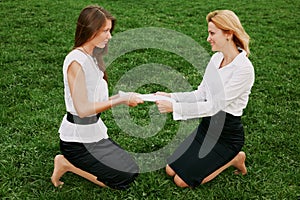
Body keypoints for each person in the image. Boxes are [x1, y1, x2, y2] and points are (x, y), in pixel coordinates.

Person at [155, 10, 254, 188]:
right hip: (206, 128)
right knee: (170, 169)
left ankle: (235, 158)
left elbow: (214, 106)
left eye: (212, 33)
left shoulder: (243, 69)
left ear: (229, 34)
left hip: (226, 136)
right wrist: (171, 96)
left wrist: (175, 108)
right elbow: (200, 94)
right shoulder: (216, 59)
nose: (208, 39)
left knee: (181, 181)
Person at [51, 5, 144, 190]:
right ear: (90, 30)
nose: (109, 36)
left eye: (110, 30)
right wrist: (121, 100)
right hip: (77, 142)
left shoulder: (92, 57)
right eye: (105, 31)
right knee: (121, 180)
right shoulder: (76, 62)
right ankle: (65, 163)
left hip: (94, 133)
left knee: (132, 169)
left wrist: (123, 96)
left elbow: (94, 98)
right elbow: (83, 110)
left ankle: (74, 162)